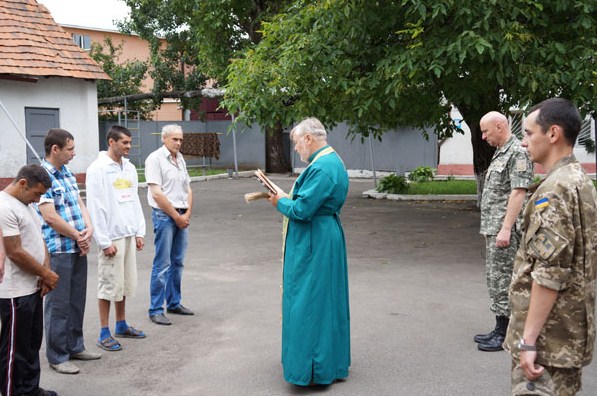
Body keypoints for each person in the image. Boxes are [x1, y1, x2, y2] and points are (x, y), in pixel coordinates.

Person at [504, 98, 597, 395]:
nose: (522, 142)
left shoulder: (554, 192)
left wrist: (528, 341)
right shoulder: (580, 180)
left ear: (553, 133)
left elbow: (549, 274)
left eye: (529, 133)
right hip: (566, 334)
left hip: (547, 341)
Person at [267, 117, 350, 386]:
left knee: (308, 300)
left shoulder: (322, 167)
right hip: (324, 234)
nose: (296, 149)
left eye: (296, 143)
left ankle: (311, 368)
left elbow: (302, 210)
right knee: (326, 299)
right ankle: (329, 362)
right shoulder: (330, 160)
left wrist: (280, 201)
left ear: (308, 139)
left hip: (315, 238)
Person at [38, 129, 101, 375]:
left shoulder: (67, 174)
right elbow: (50, 217)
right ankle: (57, 355)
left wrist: (88, 229)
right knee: (58, 304)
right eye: (70, 149)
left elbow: (79, 203)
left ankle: (75, 346)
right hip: (59, 249)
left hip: (77, 245)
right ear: (56, 149)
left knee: (76, 300)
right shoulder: (42, 176)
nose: (74, 153)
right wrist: (77, 235)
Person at [475, 112, 533, 352]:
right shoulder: (502, 151)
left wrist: (506, 229)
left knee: (505, 280)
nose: (483, 136)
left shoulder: (517, 152)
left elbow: (519, 192)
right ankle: (500, 326)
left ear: (500, 126)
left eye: (486, 131)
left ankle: (506, 333)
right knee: (495, 279)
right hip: (494, 228)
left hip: (504, 230)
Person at [0, 164, 59, 396]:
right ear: (23, 183)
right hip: (15, 292)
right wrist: (46, 274)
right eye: (37, 194)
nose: (38, 200)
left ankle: (29, 389)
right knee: (14, 350)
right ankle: (11, 392)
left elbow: (39, 239)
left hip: (32, 288)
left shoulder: (26, 205)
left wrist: (46, 271)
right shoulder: (4, 207)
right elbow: (14, 251)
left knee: (32, 344)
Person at [86, 125, 147, 352]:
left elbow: (134, 199)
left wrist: (139, 231)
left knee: (123, 284)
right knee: (108, 285)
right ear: (111, 142)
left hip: (128, 233)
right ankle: (104, 332)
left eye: (130, 143)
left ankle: (121, 324)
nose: (129, 147)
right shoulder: (98, 169)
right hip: (111, 237)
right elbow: (96, 206)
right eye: (125, 143)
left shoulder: (129, 168)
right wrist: (104, 241)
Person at [145, 124, 194, 325]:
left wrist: (187, 213)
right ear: (164, 139)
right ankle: (156, 309)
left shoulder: (179, 159)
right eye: (175, 139)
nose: (178, 143)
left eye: (180, 139)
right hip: (165, 216)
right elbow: (157, 193)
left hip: (181, 215)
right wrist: (176, 216)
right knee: (162, 263)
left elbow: (188, 189)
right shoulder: (155, 159)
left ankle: (174, 302)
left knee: (178, 262)